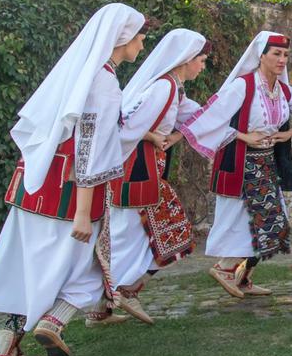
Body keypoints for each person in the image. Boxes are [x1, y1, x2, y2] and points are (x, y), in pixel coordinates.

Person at [0, 3, 146, 356]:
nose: (143, 44)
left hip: (37, 186)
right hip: (71, 197)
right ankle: (54, 322)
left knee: (27, 270)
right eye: (140, 36)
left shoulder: (78, 73)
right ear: (123, 38)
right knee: (92, 270)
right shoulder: (104, 81)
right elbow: (90, 149)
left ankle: (3, 351)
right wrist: (83, 211)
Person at [179, 31, 292, 297]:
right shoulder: (242, 86)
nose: (282, 60)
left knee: (273, 225)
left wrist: (289, 133)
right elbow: (213, 118)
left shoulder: (283, 92)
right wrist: (244, 136)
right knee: (242, 225)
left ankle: (243, 278)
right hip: (242, 166)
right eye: (276, 54)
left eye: (286, 55)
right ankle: (224, 268)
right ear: (261, 56)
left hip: (267, 166)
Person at [90, 28, 210, 326]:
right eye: (201, 60)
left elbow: (199, 115)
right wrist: (152, 136)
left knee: (153, 236)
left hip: (145, 171)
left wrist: (177, 135)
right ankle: (118, 292)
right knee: (139, 236)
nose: (203, 66)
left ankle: (103, 305)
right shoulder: (164, 88)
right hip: (137, 171)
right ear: (186, 59)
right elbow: (126, 127)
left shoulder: (174, 89)